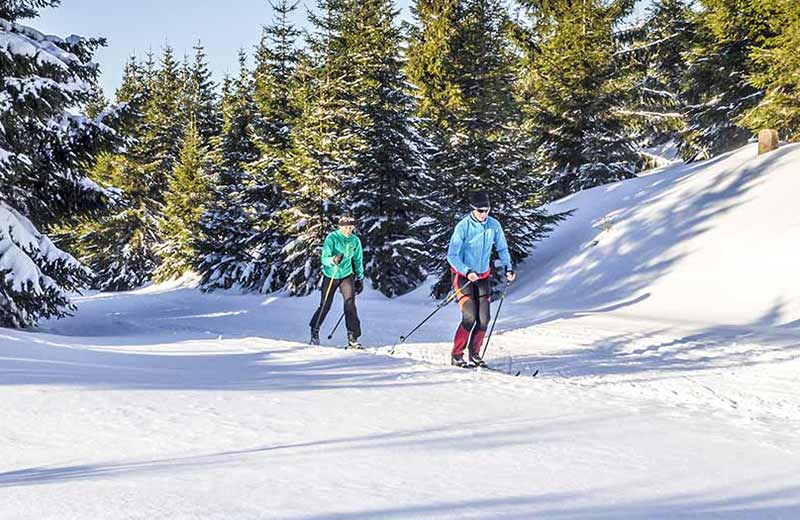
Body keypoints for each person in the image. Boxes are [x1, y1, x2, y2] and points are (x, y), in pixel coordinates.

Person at [446, 191, 515, 367]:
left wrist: (509, 267)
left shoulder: (493, 225)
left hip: (483, 276)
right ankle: (456, 355)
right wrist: (466, 270)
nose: (484, 214)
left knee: (484, 319)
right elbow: (452, 255)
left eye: (487, 210)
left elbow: (502, 248)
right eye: (480, 210)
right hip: (464, 277)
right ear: (472, 209)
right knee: (470, 317)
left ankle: (474, 354)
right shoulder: (463, 226)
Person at [309, 214, 365, 349]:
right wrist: (333, 260)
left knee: (350, 305)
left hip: (346, 275)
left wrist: (360, 276)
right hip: (331, 275)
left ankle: (353, 337)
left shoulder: (355, 240)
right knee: (325, 305)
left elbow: (358, 259)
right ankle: (314, 330)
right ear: (340, 227)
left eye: (351, 227)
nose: (348, 230)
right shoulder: (332, 238)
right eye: (345, 227)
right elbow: (324, 258)